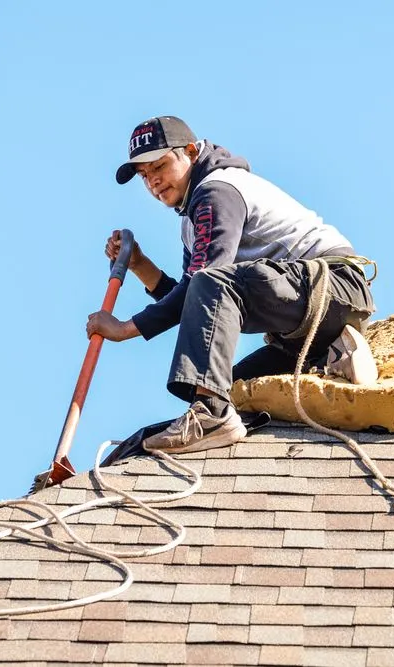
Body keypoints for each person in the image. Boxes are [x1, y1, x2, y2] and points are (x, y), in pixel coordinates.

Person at [86, 116, 378, 454]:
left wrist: (125, 328)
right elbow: (197, 303)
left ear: (190, 152)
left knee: (211, 385)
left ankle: (211, 415)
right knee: (236, 390)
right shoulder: (193, 218)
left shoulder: (217, 190)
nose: (153, 181)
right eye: (144, 175)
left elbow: (205, 282)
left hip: (335, 287)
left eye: (160, 166)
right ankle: (331, 356)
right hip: (305, 324)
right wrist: (140, 265)